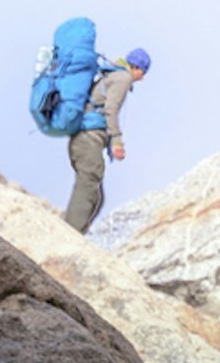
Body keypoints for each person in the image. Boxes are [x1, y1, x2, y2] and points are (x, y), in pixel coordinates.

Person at [32, 16, 154, 232]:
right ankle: (67, 235)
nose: (142, 78)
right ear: (139, 69)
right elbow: (111, 109)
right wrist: (117, 142)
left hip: (82, 140)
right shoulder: (123, 79)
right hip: (88, 139)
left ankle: (75, 233)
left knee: (97, 196)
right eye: (144, 73)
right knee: (89, 187)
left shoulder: (110, 73)